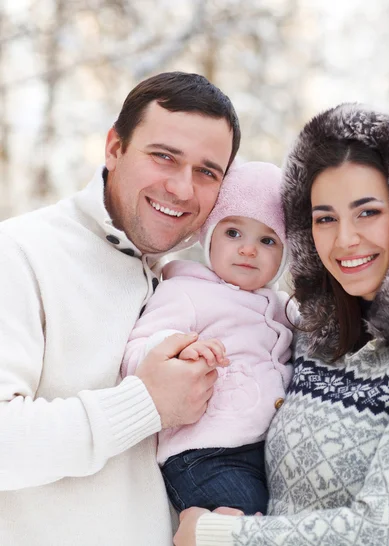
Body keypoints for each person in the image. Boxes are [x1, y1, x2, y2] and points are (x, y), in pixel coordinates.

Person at [176, 103, 389, 546]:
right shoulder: (313, 333)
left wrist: (223, 535)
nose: (345, 239)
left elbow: (387, 533)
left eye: (367, 212)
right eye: (325, 218)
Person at [0, 71, 241, 545]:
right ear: (114, 147)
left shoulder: (191, 284)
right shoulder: (20, 253)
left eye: (207, 172)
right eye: (164, 157)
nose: (182, 188)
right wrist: (144, 404)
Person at [121, 161, 296, 516]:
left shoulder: (281, 306)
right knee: (244, 515)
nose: (248, 250)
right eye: (233, 233)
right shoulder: (186, 291)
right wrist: (180, 349)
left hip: (261, 451)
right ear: (209, 235)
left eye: (267, 240)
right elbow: (138, 350)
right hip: (203, 452)